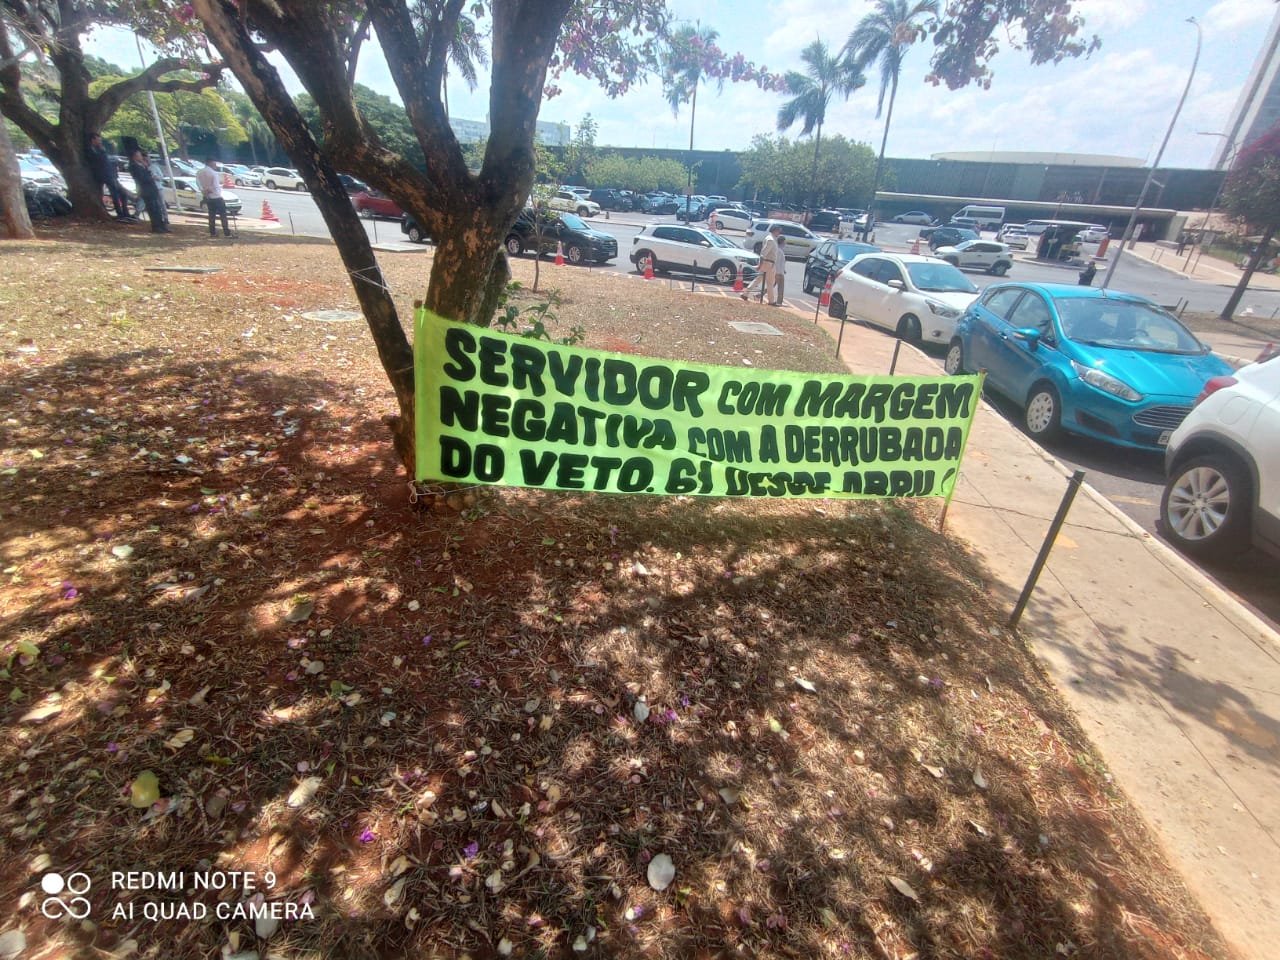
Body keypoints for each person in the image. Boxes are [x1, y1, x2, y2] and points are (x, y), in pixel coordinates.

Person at [86, 132, 134, 222]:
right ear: (93, 140)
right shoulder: (90, 149)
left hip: (110, 174)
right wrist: (102, 151)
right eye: (98, 140)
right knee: (114, 194)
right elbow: (98, 160)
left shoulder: (99, 149)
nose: (100, 142)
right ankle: (120, 214)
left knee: (123, 193)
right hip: (103, 175)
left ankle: (125, 213)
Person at [128, 147, 169, 234]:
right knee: (152, 209)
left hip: (152, 188)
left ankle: (161, 225)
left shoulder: (142, 165)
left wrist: (146, 167)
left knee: (157, 208)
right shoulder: (134, 166)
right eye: (139, 156)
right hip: (146, 190)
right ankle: (156, 226)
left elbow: (148, 174)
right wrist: (151, 177)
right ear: (135, 156)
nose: (141, 158)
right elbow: (142, 178)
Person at [742, 224, 783, 303]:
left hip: (768, 263)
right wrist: (760, 265)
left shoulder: (771, 238)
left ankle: (745, 294)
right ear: (775, 230)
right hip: (768, 263)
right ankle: (771, 301)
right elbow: (763, 254)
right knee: (770, 282)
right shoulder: (771, 240)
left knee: (758, 280)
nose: (779, 233)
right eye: (779, 231)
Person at [196, 156, 232, 238]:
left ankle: (212, 232)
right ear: (210, 163)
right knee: (223, 215)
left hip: (207, 196)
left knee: (211, 215)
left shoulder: (199, 172)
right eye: (214, 163)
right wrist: (211, 190)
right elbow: (215, 185)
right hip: (216, 196)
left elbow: (198, 183)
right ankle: (226, 232)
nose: (215, 165)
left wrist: (203, 190)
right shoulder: (213, 173)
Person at [770, 230, 787, 305]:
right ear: (782, 242)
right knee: (780, 288)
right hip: (778, 272)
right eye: (785, 242)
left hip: (779, 271)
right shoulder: (779, 251)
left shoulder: (779, 250)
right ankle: (779, 302)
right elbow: (777, 262)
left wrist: (784, 270)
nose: (785, 243)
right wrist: (779, 271)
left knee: (771, 286)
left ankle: (759, 295)